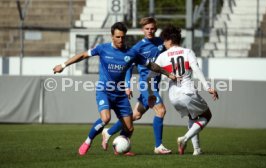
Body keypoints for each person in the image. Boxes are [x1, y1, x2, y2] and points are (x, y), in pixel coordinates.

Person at [53, 22, 175, 156]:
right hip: (104, 91)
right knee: (106, 118)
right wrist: (63, 65)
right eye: (117, 37)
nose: (120, 40)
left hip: (120, 95)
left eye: (123, 37)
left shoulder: (132, 52)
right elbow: (82, 55)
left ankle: (119, 148)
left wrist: (168, 73)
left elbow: (151, 65)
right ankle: (88, 141)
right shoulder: (102, 49)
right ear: (112, 36)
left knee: (129, 128)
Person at [101, 17, 172, 154]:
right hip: (146, 85)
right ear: (142, 30)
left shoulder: (161, 43)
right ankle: (158, 146)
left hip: (155, 84)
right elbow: (127, 67)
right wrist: (127, 85)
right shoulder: (137, 48)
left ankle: (110, 134)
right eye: (147, 29)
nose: (150, 31)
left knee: (134, 116)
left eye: (152, 28)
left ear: (156, 29)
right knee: (161, 111)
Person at [147, 25, 219, 155]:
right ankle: (184, 138)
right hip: (188, 92)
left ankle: (197, 150)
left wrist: (151, 94)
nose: (163, 44)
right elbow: (196, 70)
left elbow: (149, 77)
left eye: (164, 40)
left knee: (193, 117)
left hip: (173, 97)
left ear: (169, 40)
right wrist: (208, 87)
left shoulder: (162, 56)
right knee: (207, 116)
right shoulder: (187, 52)